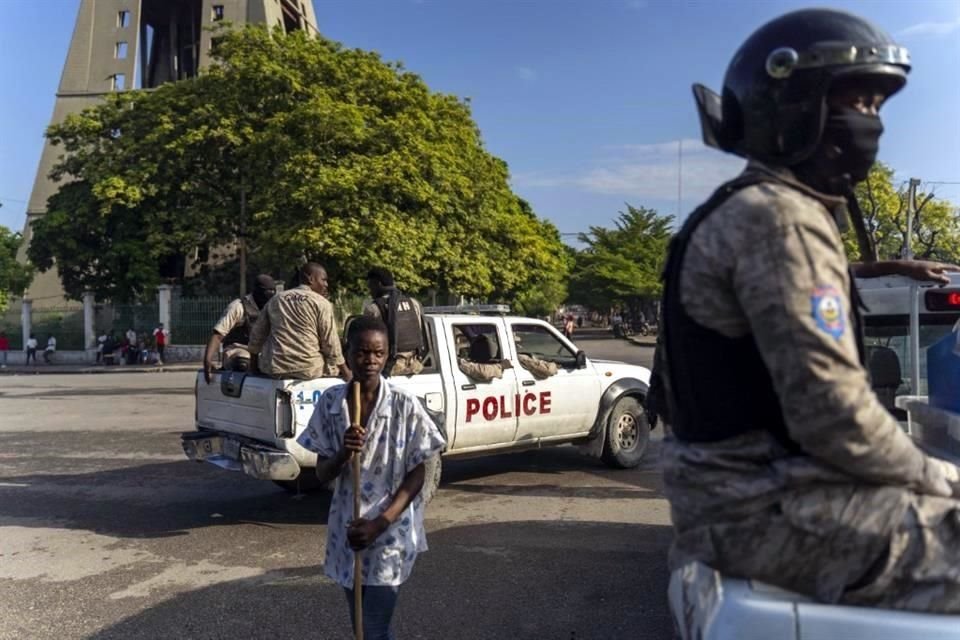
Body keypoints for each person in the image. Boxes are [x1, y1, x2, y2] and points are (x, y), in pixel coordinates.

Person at [657, 8, 960, 613]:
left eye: (878, 108)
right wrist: (946, 478)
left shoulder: (751, 208)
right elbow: (835, 417)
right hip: (770, 510)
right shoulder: (781, 218)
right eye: (860, 103)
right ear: (795, 107)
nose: (871, 125)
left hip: (738, 500)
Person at [296, 316, 445, 640]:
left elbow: (419, 471)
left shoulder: (404, 405)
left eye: (378, 353)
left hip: (390, 529)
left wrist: (381, 523)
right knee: (360, 626)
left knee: (375, 628)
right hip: (348, 530)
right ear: (347, 354)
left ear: (388, 355)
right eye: (362, 352)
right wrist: (343, 454)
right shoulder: (331, 403)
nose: (370, 361)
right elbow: (322, 472)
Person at [248, 262, 351, 381]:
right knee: (332, 365)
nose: (326, 284)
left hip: (275, 368)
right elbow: (331, 343)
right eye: (323, 280)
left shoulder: (277, 299)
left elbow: (257, 335)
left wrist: (253, 368)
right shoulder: (321, 303)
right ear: (310, 279)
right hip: (309, 369)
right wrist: (346, 372)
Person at [203, 274, 276, 383]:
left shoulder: (274, 307)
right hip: (239, 350)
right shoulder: (238, 307)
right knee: (243, 362)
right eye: (266, 291)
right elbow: (218, 335)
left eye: (272, 291)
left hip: (263, 352)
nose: (269, 295)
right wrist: (207, 361)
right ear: (256, 291)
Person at [363, 267, 426, 377]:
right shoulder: (413, 303)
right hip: (415, 367)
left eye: (371, 286)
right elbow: (419, 332)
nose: (370, 291)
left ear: (378, 284)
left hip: (390, 369)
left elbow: (367, 343)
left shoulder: (373, 309)